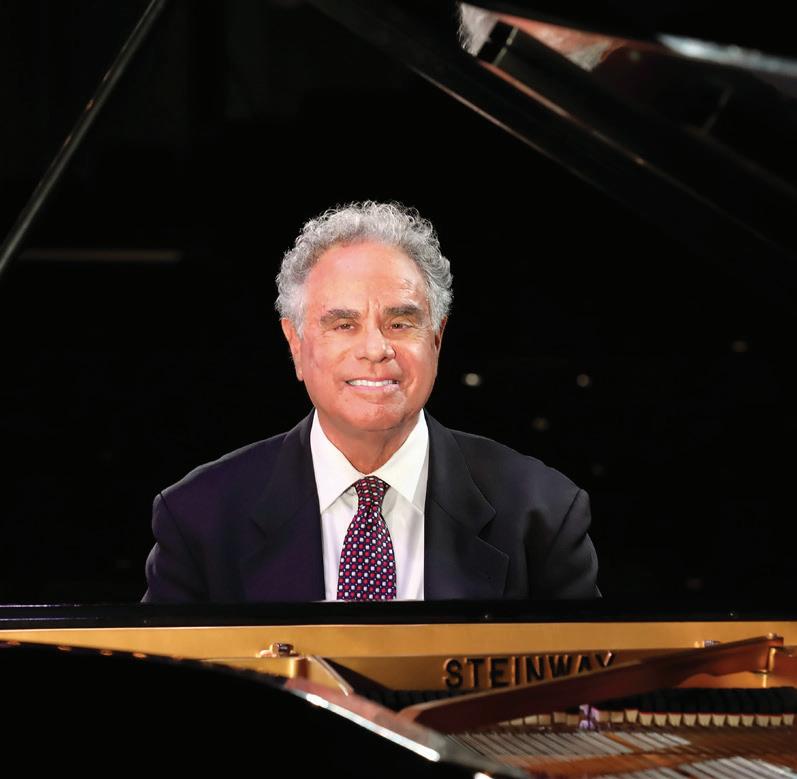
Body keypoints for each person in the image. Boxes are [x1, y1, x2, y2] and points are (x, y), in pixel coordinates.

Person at [143, 201, 598, 602]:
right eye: (344, 325)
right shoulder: (198, 517)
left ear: (436, 339)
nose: (376, 349)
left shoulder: (543, 512)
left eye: (400, 324)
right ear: (295, 345)